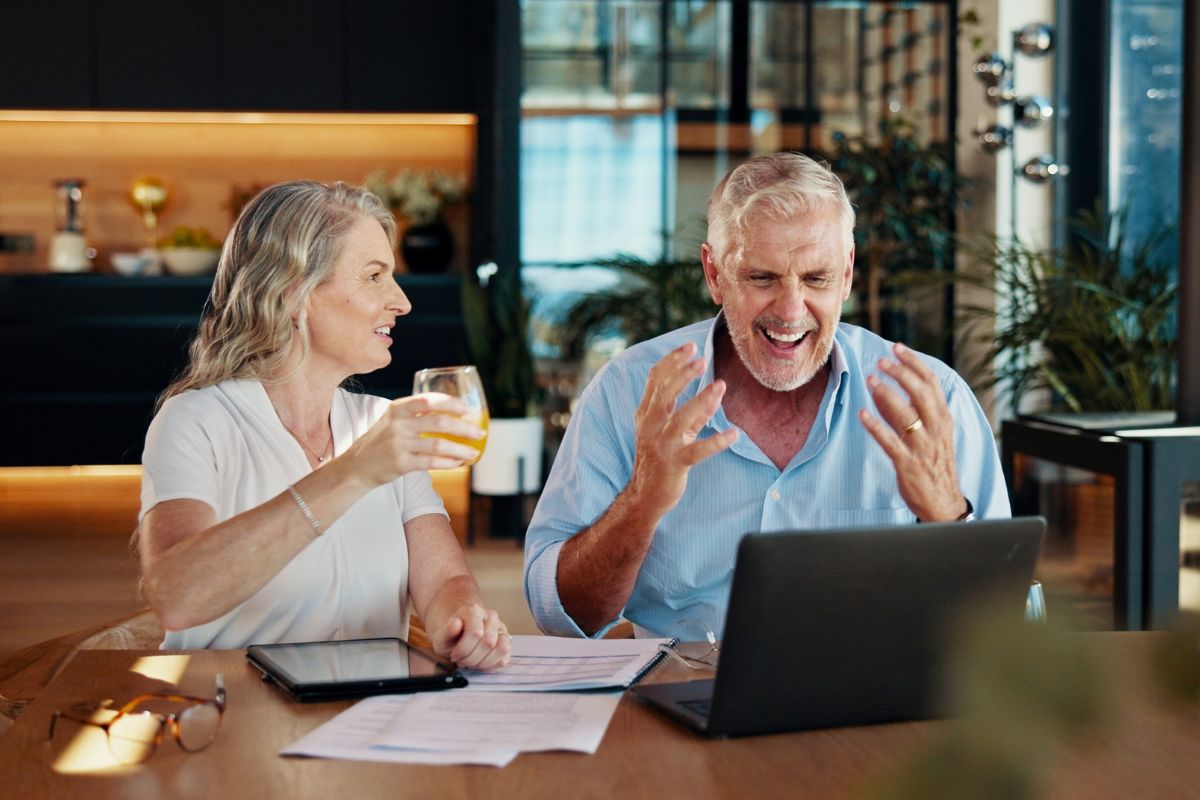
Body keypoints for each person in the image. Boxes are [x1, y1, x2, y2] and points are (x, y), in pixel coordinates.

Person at [524, 153, 1010, 639]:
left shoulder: (933, 398)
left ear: (846, 274)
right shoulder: (626, 390)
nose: (791, 310)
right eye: (762, 278)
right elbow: (563, 616)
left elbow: (1010, 632)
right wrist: (642, 502)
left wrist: (946, 515)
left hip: (871, 699)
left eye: (815, 278)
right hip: (684, 690)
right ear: (714, 275)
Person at [137, 180, 511, 670]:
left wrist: (463, 622)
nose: (402, 301)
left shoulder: (383, 423)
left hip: (369, 716)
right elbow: (177, 595)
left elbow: (444, 582)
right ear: (295, 292)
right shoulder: (197, 421)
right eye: (373, 276)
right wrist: (357, 469)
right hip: (235, 724)